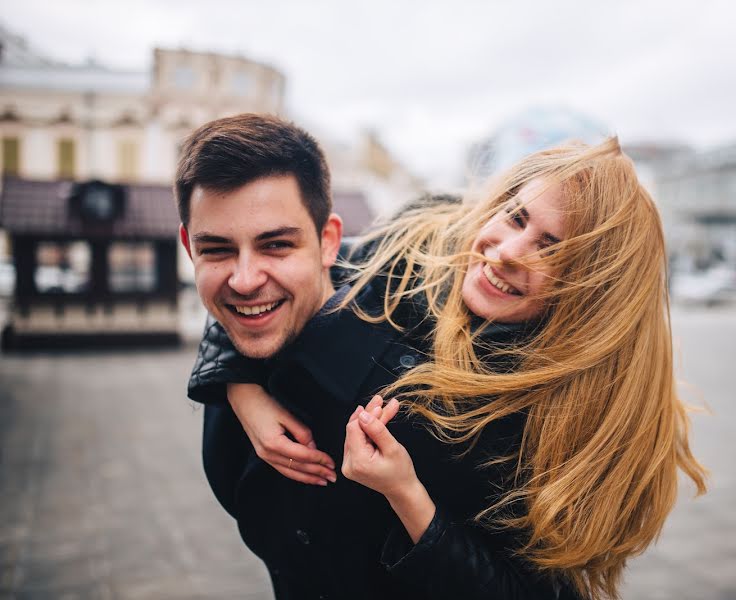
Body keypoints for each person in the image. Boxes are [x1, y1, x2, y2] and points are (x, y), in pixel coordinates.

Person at [191, 135, 709, 600]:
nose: (505, 252)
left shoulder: (579, 418)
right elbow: (268, 284)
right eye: (515, 218)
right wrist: (241, 386)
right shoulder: (408, 251)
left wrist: (408, 495)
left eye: (549, 249)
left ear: (594, 290)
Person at [178, 113, 574, 599]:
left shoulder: (484, 407)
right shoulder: (237, 385)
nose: (244, 279)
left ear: (326, 242)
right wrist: (238, 385)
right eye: (216, 250)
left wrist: (407, 497)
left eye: (276, 245)